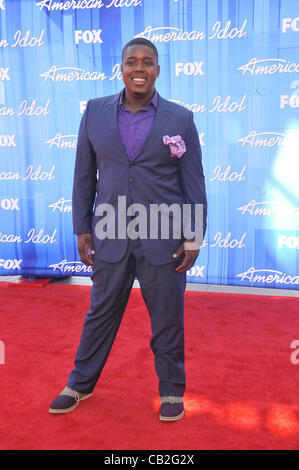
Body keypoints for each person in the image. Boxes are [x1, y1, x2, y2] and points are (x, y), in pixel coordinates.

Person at [49, 37, 207, 421]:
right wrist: (82, 228)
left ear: (157, 69)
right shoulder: (95, 111)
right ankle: (79, 384)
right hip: (110, 232)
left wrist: (194, 235)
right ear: (121, 68)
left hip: (164, 237)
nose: (139, 68)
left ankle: (171, 392)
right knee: (100, 314)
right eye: (131, 61)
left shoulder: (180, 118)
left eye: (147, 62)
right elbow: (84, 175)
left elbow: (193, 183)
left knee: (167, 319)